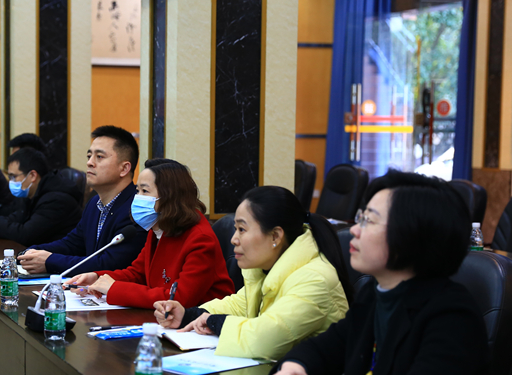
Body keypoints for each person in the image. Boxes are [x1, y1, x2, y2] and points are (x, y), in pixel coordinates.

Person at [262, 171, 512, 375]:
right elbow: (324, 348)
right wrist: (294, 368)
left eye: (369, 220)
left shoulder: (451, 313)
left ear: (411, 235)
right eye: (360, 217)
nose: (354, 230)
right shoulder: (375, 295)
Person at [154, 186, 350, 360]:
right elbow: (239, 305)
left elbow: (264, 339)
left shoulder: (314, 279)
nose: (233, 239)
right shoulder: (266, 267)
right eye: (235, 229)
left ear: (275, 236)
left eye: (242, 229)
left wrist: (213, 321)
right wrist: (187, 315)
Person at [67, 159, 235, 308]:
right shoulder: (159, 227)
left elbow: (179, 298)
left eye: (145, 191)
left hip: (200, 324)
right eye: (137, 190)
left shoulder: (200, 238)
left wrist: (114, 288)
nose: (137, 197)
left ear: (170, 197)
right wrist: (97, 278)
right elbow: (137, 273)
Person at [18, 126, 148, 275]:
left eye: (99, 157)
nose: (90, 163)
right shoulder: (94, 203)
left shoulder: (136, 209)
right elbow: (72, 243)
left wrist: (49, 261)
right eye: (89, 156)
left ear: (124, 168)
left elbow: (109, 264)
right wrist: (31, 252)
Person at [0, 148, 83, 246]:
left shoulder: (56, 199)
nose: (11, 182)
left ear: (32, 175)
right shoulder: (31, 193)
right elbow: (13, 219)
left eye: (14, 177)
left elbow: (26, 234)